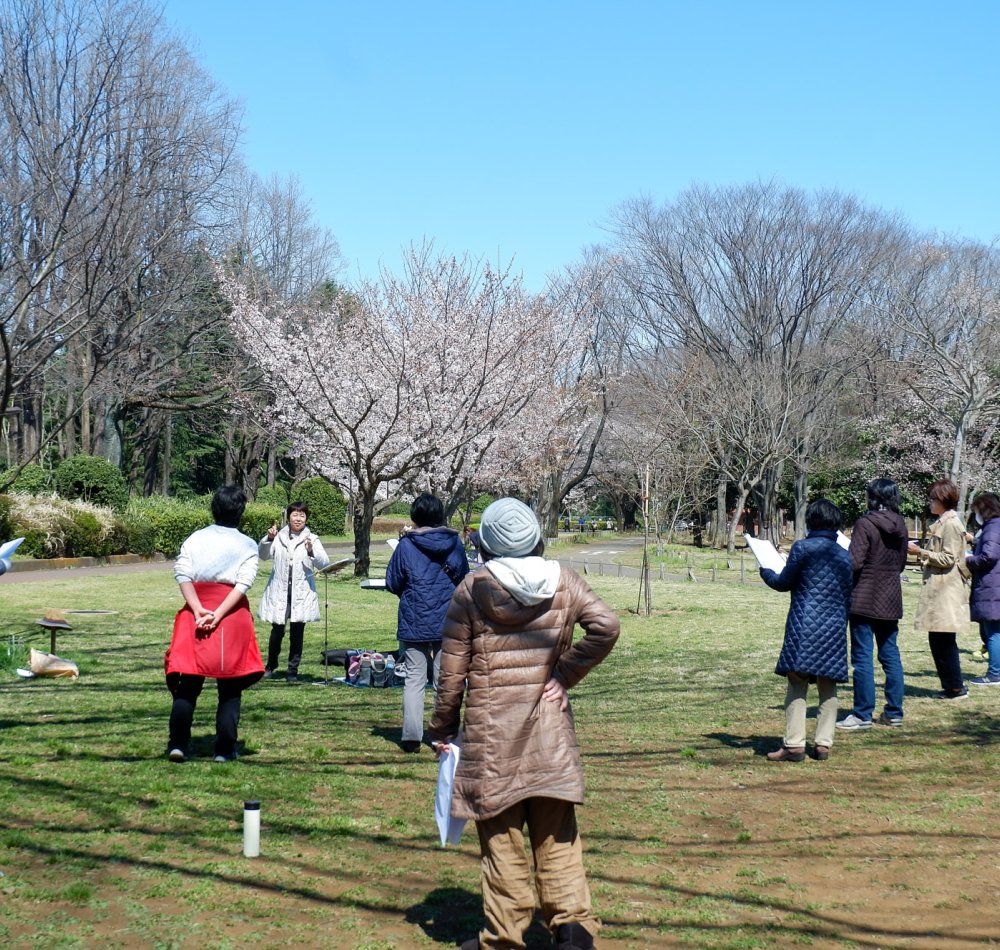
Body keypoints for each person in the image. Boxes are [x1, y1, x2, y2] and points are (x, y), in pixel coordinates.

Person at [428, 498, 620, 950]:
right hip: (549, 732)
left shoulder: (472, 589)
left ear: (487, 544)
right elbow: (606, 626)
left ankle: (504, 939)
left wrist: (441, 728)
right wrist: (563, 674)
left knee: (502, 842)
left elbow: (451, 672)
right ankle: (573, 932)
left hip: (491, 737)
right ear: (535, 537)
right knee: (558, 838)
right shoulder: (565, 581)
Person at [165, 485, 264, 763]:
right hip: (230, 615)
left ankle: (178, 744)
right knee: (230, 688)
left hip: (196, 610)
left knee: (188, 682)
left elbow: (182, 573)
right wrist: (218, 614)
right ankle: (223, 749)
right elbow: (244, 582)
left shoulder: (195, 538)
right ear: (241, 513)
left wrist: (198, 610)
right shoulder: (246, 544)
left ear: (214, 509)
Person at [760, 498, 853, 762]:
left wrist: (765, 570)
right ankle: (823, 744)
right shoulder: (845, 555)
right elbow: (849, 595)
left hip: (805, 624)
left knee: (797, 681)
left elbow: (782, 582)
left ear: (810, 521)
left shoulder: (803, 548)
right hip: (834, 626)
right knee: (828, 685)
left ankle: (794, 745)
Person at [385, 493, 469, 753]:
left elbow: (392, 582)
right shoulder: (454, 543)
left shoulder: (406, 546)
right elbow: (464, 578)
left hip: (414, 619)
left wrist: (411, 595)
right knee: (446, 679)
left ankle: (411, 737)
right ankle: (442, 735)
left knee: (413, 678)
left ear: (415, 516)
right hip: (448, 620)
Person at [837, 478, 909, 731]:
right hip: (890, 596)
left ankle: (862, 714)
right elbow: (900, 563)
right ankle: (894, 711)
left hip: (865, 596)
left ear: (873, 497)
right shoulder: (901, 524)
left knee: (862, 656)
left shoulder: (865, 523)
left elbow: (854, 562)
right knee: (890, 654)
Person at [908, 479, 969, 699]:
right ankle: (951, 686)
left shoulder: (951, 524)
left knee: (943, 641)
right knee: (939, 639)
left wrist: (920, 552)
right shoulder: (945, 522)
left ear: (943, 500)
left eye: (933, 499)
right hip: (942, 588)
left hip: (946, 590)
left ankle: (955, 687)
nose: (930, 503)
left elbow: (949, 558)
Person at [258, 501, 330, 682]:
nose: (298, 519)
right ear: (288, 517)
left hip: (300, 592)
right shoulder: (279, 536)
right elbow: (263, 555)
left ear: (306, 518)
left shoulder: (312, 538)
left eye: (302, 515)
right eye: (295, 515)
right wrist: (269, 539)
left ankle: (292, 670)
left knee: (297, 633)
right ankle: (271, 665)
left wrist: (311, 551)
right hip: (280, 591)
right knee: (277, 631)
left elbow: (324, 563)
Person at [966, 492, 1000, 686]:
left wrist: (967, 560)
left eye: (976, 510)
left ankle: (994, 673)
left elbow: (989, 556)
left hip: (992, 587)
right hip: (994, 585)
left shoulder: (993, 527)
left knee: (993, 632)